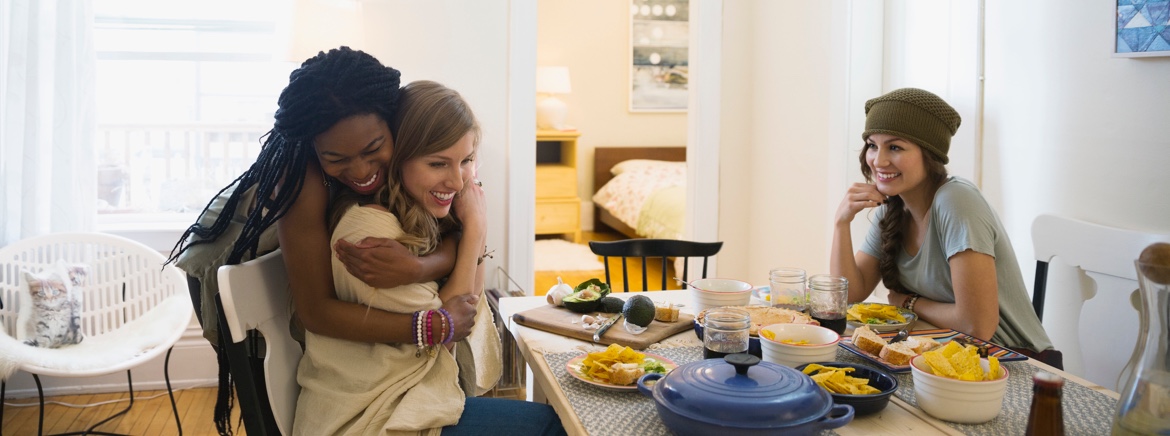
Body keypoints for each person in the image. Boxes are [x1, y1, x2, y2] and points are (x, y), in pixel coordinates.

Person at [167, 47, 478, 434]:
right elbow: (316, 311)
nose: (362, 171)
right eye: (337, 158)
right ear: (315, 147)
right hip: (219, 259)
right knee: (272, 374)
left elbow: (449, 235)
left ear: (393, 123)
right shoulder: (302, 183)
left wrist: (419, 266)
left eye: (372, 149)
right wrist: (430, 327)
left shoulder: (409, 153)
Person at [294, 80, 565, 435]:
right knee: (553, 426)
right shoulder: (368, 237)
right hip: (372, 418)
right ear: (400, 158)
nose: (456, 180)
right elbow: (451, 332)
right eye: (438, 163)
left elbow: (471, 301)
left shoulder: (416, 218)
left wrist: (461, 241)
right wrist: (476, 229)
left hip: (404, 399)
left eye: (467, 160)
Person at [830, 87, 1060, 368]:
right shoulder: (893, 208)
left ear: (929, 154)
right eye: (872, 145)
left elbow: (976, 326)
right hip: (951, 358)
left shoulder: (956, 200)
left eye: (895, 147)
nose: (878, 160)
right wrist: (841, 223)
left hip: (1015, 361)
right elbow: (849, 296)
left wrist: (908, 303)